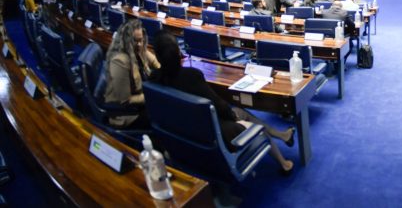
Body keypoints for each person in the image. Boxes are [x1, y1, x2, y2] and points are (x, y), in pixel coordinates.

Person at [149, 31, 295, 173]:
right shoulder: (191, 76)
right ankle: (284, 164)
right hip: (213, 132)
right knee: (253, 125)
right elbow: (218, 105)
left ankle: (282, 135)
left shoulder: (154, 79)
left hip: (183, 131)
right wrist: (232, 117)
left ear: (157, 56)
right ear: (178, 52)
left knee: (240, 111)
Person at [104, 19, 160, 128]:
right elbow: (126, 100)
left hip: (141, 99)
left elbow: (155, 62)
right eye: (135, 41)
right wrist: (152, 96)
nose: (139, 44)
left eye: (141, 40)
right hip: (127, 113)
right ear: (126, 40)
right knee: (162, 117)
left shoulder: (138, 50)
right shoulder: (119, 61)